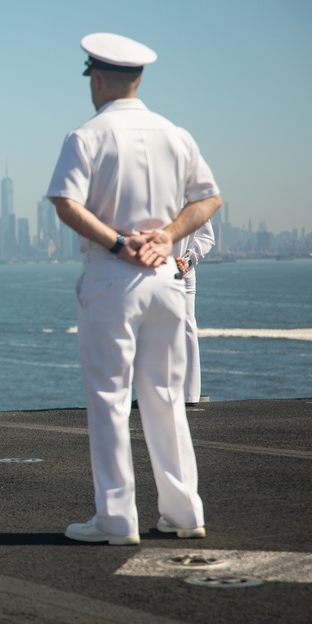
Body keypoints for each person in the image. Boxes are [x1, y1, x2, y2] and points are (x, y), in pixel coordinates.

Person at [46, 33, 221, 545]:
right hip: (167, 278)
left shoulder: (86, 136)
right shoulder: (176, 134)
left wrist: (122, 243)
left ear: (97, 79)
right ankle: (185, 513)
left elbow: (65, 203)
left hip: (112, 277)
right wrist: (166, 235)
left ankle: (116, 520)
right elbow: (209, 200)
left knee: (109, 399)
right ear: (139, 79)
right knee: (166, 396)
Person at [176, 220, 216, 406]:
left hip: (181, 271)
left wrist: (187, 259)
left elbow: (206, 236)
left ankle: (189, 395)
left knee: (186, 328)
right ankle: (153, 394)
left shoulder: (191, 191)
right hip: (146, 269)